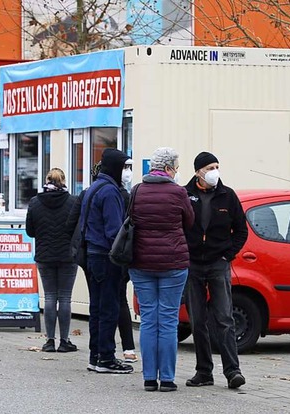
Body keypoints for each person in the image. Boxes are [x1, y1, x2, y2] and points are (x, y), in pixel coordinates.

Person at [128, 147, 194, 392]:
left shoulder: (137, 191)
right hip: (173, 264)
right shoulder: (178, 192)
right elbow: (190, 221)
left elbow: (130, 220)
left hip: (142, 263)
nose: (177, 171)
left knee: (148, 320)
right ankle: (166, 379)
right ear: (168, 168)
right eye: (176, 167)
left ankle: (148, 378)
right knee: (167, 321)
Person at [183, 151, 249, 389]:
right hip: (193, 264)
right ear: (198, 171)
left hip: (218, 263)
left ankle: (233, 371)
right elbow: (178, 228)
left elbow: (241, 231)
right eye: (210, 168)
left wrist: (227, 255)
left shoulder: (227, 196)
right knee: (198, 320)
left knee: (224, 318)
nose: (214, 172)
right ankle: (204, 371)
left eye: (217, 167)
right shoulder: (185, 194)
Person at [81, 148, 133, 374]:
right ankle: (106, 357)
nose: (127, 172)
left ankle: (96, 355)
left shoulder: (94, 187)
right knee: (109, 308)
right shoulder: (110, 192)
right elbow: (115, 230)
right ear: (115, 167)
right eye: (125, 167)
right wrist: (125, 255)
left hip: (92, 254)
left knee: (97, 308)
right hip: (106, 256)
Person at [26, 168, 79, 353]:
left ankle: (49, 341)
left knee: (49, 297)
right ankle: (64, 341)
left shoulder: (35, 202)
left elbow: (30, 231)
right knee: (65, 297)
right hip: (67, 256)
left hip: (44, 255)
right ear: (64, 180)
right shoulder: (73, 201)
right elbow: (77, 229)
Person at [118, 159, 138, 363]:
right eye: (125, 168)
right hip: (119, 256)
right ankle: (128, 348)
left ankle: (99, 351)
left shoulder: (129, 195)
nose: (128, 172)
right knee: (119, 301)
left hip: (117, 256)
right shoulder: (124, 196)